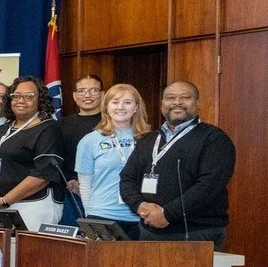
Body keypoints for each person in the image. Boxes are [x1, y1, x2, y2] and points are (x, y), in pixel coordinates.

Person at [120, 80, 236, 249]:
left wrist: (167, 214)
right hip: (148, 231)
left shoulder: (214, 139)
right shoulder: (148, 139)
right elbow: (127, 179)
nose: (177, 102)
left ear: (197, 103)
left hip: (196, 233)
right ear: (162, 104)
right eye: (170, 98)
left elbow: (208, 187)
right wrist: (140, 206)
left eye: (185, 97)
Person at [0, 76, 65, 230]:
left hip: (33, 206)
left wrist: (6, 200)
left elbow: (43, 175)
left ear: (40, 100)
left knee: (27, 246)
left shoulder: (48, 129)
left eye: (28, 96)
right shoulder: (3, 128)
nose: (20, 101)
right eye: (16, 96)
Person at [74, 83, 150, 240]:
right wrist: (90, 217)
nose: (120, 107)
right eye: (115, 102)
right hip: (102, 215)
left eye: (127, 102)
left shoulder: (149, 139)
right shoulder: (89, 141)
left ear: (136, 107)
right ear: (106, 107)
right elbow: (85, 185)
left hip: (140, 216)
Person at [58, 74, 106, 224]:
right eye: (81, 91)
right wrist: (71, 182)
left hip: (103, 193)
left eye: (94, 90)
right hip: (70, 193)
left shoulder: (111, 123)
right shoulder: (61, 124)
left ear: (102, 94)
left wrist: (86, 186)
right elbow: (57, 158)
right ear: (74, 95)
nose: (87, 95)